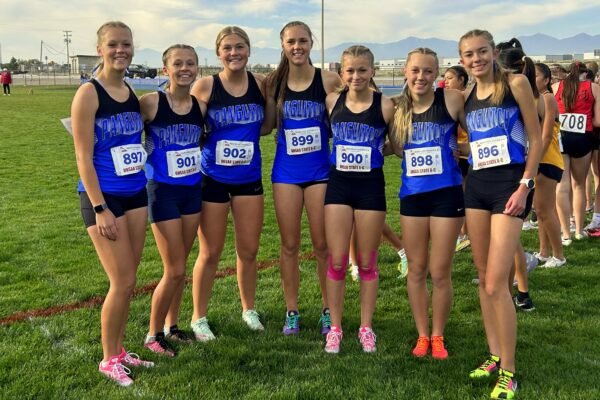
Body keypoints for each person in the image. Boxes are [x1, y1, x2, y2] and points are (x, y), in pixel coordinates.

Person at [459, 29, 542, 400]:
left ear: (493, 52)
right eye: (467, 54)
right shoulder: (465, 97)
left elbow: (536, 138)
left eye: (481, 52)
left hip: (511, 186)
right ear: (461, 60)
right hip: (476, 187)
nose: (475, 59)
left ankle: (509, 371)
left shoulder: (516, 83)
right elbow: (473, 142)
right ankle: (493, 354)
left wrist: (525, 185)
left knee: (496, 283)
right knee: (483, 278)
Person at [71, 21, 153, 387]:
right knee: (121, 281)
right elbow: (83, 157)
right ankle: (108, 359)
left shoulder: (130, 89)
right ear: (100, 48)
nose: (121, 50)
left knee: (130, 279)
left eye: (127, 44)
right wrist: (100, 207)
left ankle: (120, 350)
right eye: (113, 45)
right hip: (103, 198)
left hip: (136, 191)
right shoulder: (89, 93)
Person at [190, 26, 271, 340]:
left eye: (240, 47)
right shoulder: (206, 86)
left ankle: (248, 309)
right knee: (210, 253)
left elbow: (266, 126)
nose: (234, 53)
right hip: (212, 180)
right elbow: (189, 128)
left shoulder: (260, 85)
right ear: (219, 53)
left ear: (249, 50)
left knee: (249, 251)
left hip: (248, 179)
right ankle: (199, 317)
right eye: (227, 48)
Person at [266, 21, 342, 335]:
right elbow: (267, 125)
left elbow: (352, 113)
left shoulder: (328, 79)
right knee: (289, 245)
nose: (297, 47)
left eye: (302, 41)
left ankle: (328, 310)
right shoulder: (273, 82)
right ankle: (292, 311)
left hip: (320, 172)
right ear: (282, 45)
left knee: (323, 245)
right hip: (285, 173)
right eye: (290, 42)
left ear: (311, 43)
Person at [392, 48, 466, 359]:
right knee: (416, 269)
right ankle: (423, 335)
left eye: (427, 71)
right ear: (405, 72)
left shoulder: (450, 100)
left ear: (436, 75)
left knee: (440, 271)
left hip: (447, 194)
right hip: (413, 195)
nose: (421, 76)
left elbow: (476, 136)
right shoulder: (396, 109)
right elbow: (397, 150)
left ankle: (439, 335)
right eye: (415, 70)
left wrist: (458, 148)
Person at [323, 45, 395, 354]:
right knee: (338, 261)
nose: (356, 75)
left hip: (370, 188)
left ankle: (366, 327)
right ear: (342, 73)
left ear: (373, 71)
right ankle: (336, 328)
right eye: (350, 70)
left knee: (366, 262)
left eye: (362, 70)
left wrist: (377, 151)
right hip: (338, 187)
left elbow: (399, 145)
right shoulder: (332, 101)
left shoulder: (386, 105)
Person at [140, 44, 206, 356]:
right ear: (166, 69)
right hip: (162, 191)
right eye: (177, 63)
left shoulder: (199, 107)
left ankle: (172, 326)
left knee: (182, 264)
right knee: (175, 269)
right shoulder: (151, 103)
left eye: (190, 63)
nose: (184, 68)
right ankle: (153, 334)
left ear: (197, 68)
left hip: (193, 190)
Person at [553, 62, 600, 241]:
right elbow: (597, 122)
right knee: (579, 184)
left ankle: (566, 233)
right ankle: (579, 231)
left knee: (562, 187)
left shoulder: (556, 87)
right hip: (583, 137)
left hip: (561, 137)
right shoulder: (594, 88)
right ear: (584, 74)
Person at [533, 62, 566, 268]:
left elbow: (545, 137)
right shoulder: (535, 99)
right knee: (540, 209)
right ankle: (544, 252)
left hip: (547, 160)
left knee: (545, 210)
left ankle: (559, 255)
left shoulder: (547, 98)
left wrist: (534, 161)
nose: (531, 78)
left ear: (546, 80)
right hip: (541, 160)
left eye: (536, 75)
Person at [444, 65, 471, 251]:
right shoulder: (447, 101)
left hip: (468, 154)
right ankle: (462, 234)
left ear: (461, 79)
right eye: (444, 78)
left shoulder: (467, 99)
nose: (446, 82)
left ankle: (465, 233)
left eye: (450, 78)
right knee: (458, 195)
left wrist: (464, 148)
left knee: (465, 196)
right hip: (455, 155)